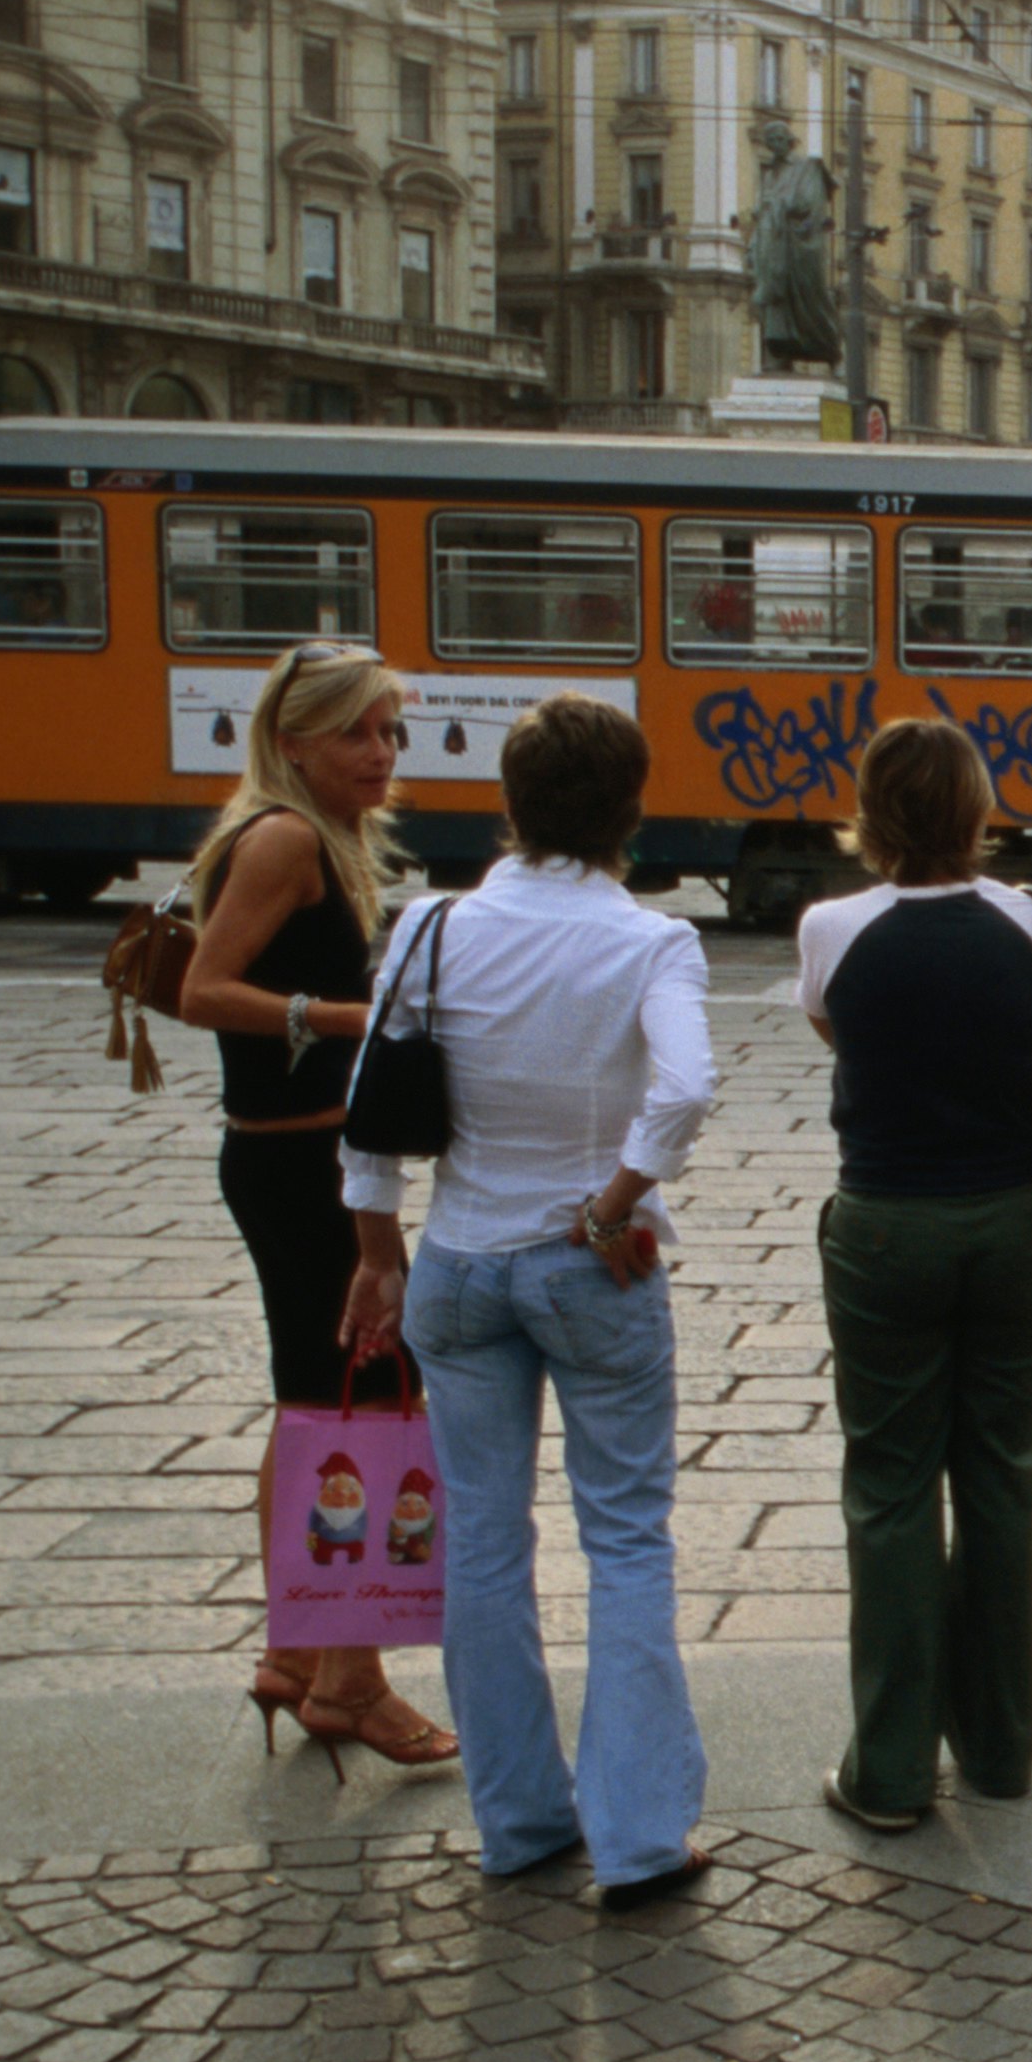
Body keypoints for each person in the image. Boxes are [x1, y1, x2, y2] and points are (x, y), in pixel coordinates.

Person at [341, 697, 716, 1911]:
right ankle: (642, 1832)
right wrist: (611, 1206)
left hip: (456, 1263)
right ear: (631, 810)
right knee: (623, 1535)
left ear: (507, 799)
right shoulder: (652, 943)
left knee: (485, 1548)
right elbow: (687, 1089)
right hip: (586, 1267)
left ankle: (518, 1820)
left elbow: (371, 1108)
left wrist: (378, 1250)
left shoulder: (431, 926)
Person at [792, 719, 1032, 1832]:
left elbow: (838, 1036)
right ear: (976, 809)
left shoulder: (831, 926)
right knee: (1005, 1478)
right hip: (1017, 1219)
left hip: (884, 1224)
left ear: (871, 810)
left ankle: (893, 1768)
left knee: (891, 1489)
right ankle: (1001, 1749)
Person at [178, 642, 458, 1779]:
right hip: (300, 1169)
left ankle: (295, 1650)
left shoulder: (294, 831)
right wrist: (357, 1017)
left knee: (313, 1398)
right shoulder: (287, 837)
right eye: (358, 732)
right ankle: (353, 1679)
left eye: (390, 730)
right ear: (292, 739)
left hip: (288, 1160)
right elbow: (204, 988)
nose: (382, 753)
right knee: (371, 1402)